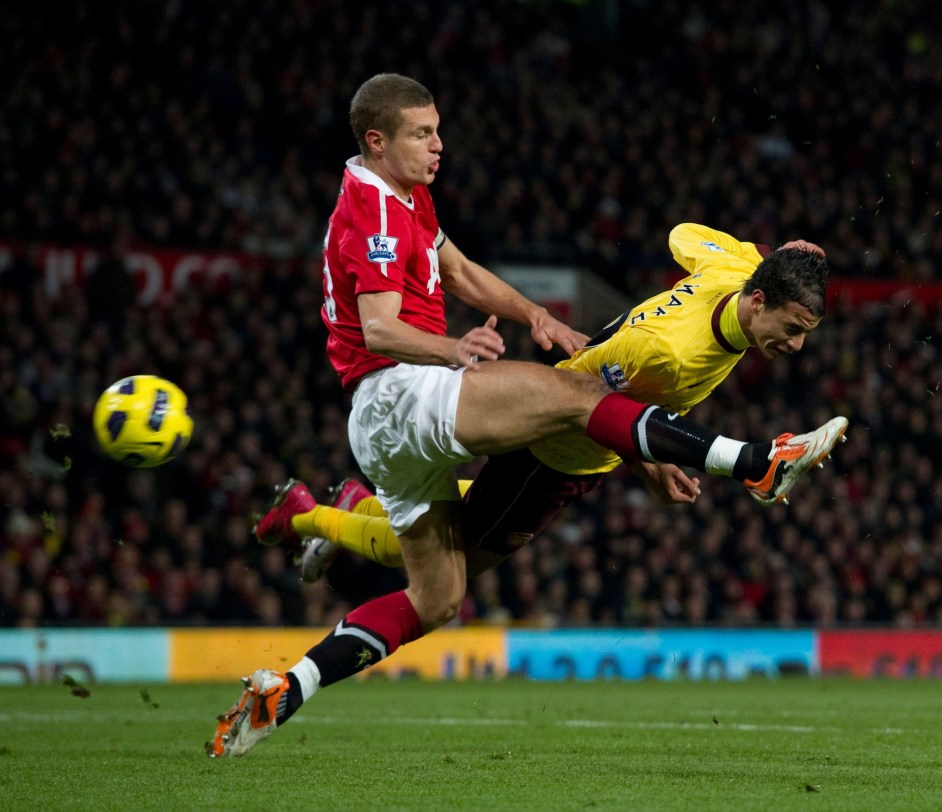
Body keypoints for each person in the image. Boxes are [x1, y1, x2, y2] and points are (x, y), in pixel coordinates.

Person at [206, 75, 847, 757]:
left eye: (437, 128)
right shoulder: (375, 215)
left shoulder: (406, 197)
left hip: (397, 421)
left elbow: (458, 271)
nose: (438, 144)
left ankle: (288, 684)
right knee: (578, 399)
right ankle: (754, 464)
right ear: (376, 140)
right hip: (397, 393)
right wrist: (455, 347)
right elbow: (379, 328)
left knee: (436, 598)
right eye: (422, 133)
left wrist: (531, 312)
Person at [263, 223, 845, 584]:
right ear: (759, 299)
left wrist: (785, 252)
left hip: (577, 444)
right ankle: (305, 514)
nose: (794, 346)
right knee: (445, 560)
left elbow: (683, 235)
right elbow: (592, 404)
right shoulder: (668, 353)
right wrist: (649, 468)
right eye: (792, 329)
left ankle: (354, 501)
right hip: (555, 454)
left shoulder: (737, 267)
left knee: (449, 524)